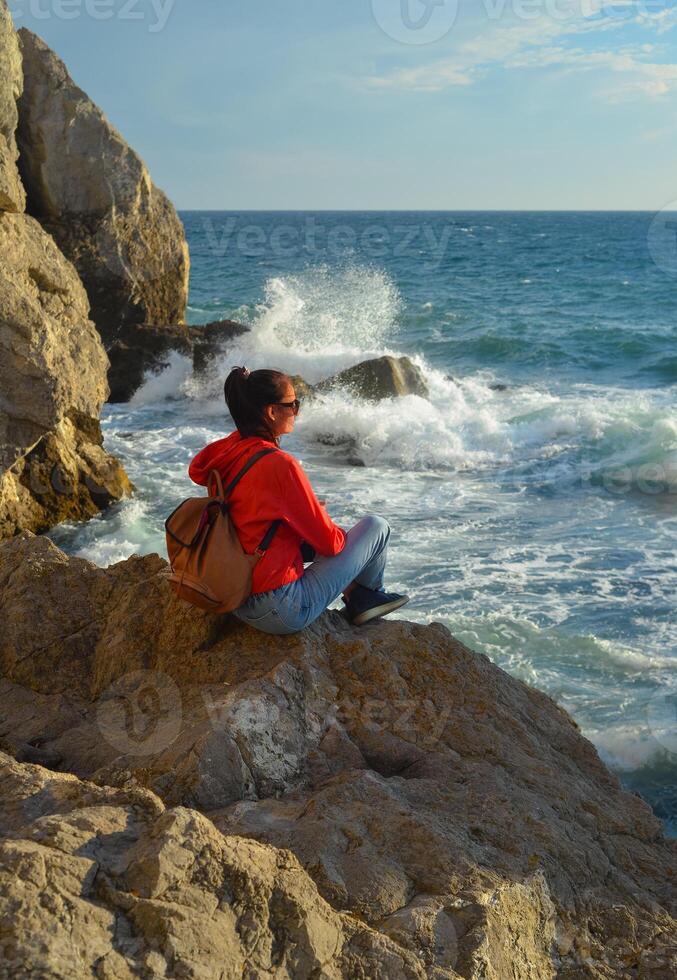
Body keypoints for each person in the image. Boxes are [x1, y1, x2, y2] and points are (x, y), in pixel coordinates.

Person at [188, 366, 409, 635]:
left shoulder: (228, 451)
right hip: (280, 609)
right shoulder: (280, 465)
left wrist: (303, 517)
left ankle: (360, 596)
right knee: (376, 528)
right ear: (271, 412)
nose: (297, 411)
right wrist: (319, 517)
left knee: (317, 536)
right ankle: (365, 598)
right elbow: (330, 544)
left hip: (235, 593)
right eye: (292, 404)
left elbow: (253, 515)